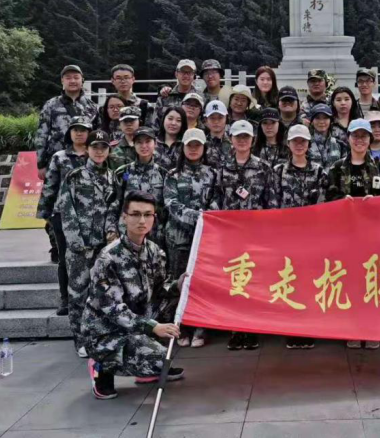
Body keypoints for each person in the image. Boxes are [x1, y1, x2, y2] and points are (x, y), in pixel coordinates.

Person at [83, 191, 185, 400]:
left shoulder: (155, 252)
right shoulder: (108, 258)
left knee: (178, 301)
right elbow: (112, 309)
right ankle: (101, 365)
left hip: (137, 321)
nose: (142, 221)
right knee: (157, 359)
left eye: (148, 215)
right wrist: (152, 326)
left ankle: (144, 360)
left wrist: (178, 286)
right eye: (135, 214)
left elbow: (160, 290)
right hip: (106, 330)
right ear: (124, 217)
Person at [326, 119, 380, 350]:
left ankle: (372, 328)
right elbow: (327, 197)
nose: (360, 140)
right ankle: (352, 328)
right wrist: (340, 201)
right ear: (348, 138)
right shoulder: (336, 168)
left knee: (372, 280)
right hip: (346, 234)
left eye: (364, 136)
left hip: (373, 236)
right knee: (350, 280)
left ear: (370, 139)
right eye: (355, 136)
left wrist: (377, 201)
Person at [57, 129, 120, 357]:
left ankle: (100, 336)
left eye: (103, 147)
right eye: (95, 147)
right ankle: (80, 340)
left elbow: (114, 208)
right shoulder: (75, 176)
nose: (99, 151)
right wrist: (76, 243)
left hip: (104, 246)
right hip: (80, 247)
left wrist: (112, 235)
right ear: (87, 149)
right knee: (78, 295)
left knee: (102, 292)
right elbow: (66, 210)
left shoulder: (113, 177)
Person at [270, 124, 327, 350]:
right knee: (289, 281)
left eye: (303, 141)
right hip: (287, 237)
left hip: (312, 237)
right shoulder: (278, 171)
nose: (299, 145)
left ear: (309, 144)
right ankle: (291, 328)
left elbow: (323, 204)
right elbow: (273, 202)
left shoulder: (319, 171)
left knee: (309, 282)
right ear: (288, 144)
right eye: (295, 141)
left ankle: (308, 327)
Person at [217, 119, 271, 351]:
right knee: (235, 280)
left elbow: (271, 200)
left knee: (254, 279)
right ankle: (236, 329)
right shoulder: (223, 168)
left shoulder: (263, 167)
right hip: (231, 234)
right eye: (238, 137)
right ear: (231, 139)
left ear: (253, 140)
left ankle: (253, 328)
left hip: (256, 234)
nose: (242, 141)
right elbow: (216, 199)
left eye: (246, 137)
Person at [163, 128, 220, 348]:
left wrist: (208, 216)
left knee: (203, 282)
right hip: (179, 237)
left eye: (197, 145)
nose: (193, 149)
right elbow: (171, 203)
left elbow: (217, 198)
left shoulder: (212, 173)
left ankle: (200, 328)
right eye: (190, 145)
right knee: (180, 282)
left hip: (205, 237)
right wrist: (197, 217)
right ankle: (182, 328)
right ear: (183, 148)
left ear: (204, 148)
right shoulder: (173, 175)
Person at [37, 116, 92, 316]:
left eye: (83, 130)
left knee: (89, 257)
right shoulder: (59, 157)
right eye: (75, 130)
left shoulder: (95, 154)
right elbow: (50, 186)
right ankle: (66, 299)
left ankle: (89, 299)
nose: (79, 133)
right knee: (64, 258)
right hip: (63, 214)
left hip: (90, 215)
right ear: (69, 133)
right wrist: (46, 214)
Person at [36, 64, 100, 180]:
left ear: (82, 80)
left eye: (76, 77)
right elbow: (42, 134)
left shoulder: (92, 106)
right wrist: (41, 164)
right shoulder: (51, 105)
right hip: (56, 161)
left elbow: (97, 135)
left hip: (85, 160)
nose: (72, 81)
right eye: (68, 78)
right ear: (62, 81)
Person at [112, 127, 170, 252]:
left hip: (156, 234)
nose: (144, 146)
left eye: (148, 141)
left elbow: (167, 207)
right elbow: (115, 203)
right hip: (128, 232)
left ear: (155, 143)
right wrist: (111, 229)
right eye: (139, 142)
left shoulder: (164, 174)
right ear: (134, 144)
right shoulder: (123, 172)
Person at [154, 59, 200, 134]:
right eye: (182, 72)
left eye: (189, 72)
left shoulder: (200, 98)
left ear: (194, 75)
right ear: (176, 74)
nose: (186, 75)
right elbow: (155, 125)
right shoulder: (165, 97)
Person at [307, 104, 346, 172]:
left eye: (325, 118)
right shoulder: (305, 143)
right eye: (317, 118)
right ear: (312, 121)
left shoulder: (339, 143)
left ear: (330, 120)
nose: (321, 121)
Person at [203, 100, 232, 170]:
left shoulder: (234, 142)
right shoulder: (202, 143)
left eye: (220, 117)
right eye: (212, 118)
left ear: (226, 118)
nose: (216, 121)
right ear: (206, 120)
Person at [158, 106, 188, 171]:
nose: (173, 123)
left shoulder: (186, 144)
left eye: (178, 120)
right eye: (170, 119)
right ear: (164, 119)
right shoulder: (153, 142)